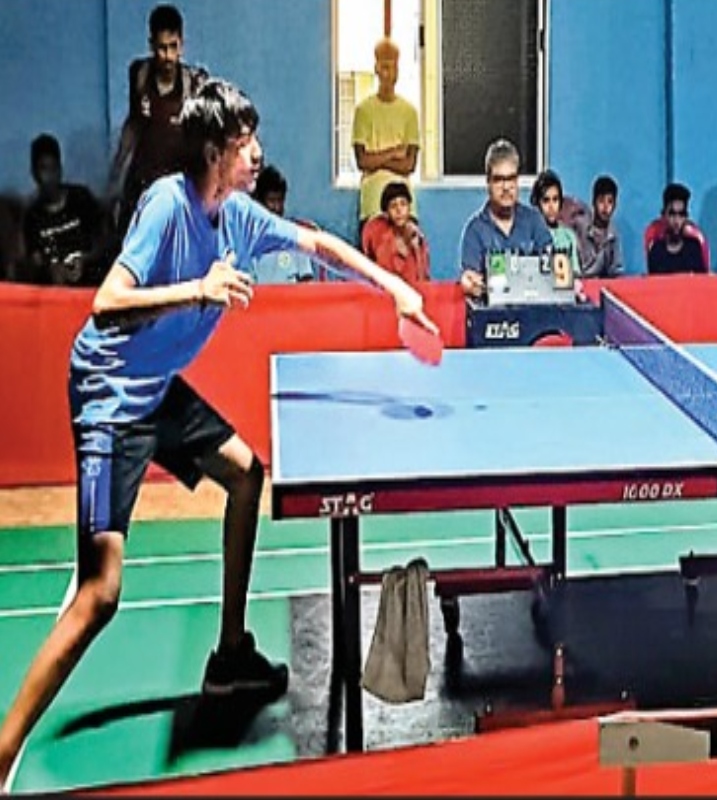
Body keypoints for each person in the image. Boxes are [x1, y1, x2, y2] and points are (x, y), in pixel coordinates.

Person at [0, 79, 436, 789]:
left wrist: (395, 291)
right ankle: (1, 751)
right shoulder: (167, 206)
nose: (256, 153)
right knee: (99, 596)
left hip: (155, 385)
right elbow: (107, 303)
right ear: (213, 152)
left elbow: (321, 244)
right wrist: (198, 289)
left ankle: (230, 654)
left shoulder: (236, 216)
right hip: (111, 395)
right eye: (243, 143)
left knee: (245, 472)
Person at [108, 4, 209, 238]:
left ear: (182, 45)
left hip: (177, 186)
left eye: (173, 47)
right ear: (151, 45)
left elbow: (204, 140)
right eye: (162, 48)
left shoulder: (195, 84)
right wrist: (116, 170)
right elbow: (133, 124)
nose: (168, 56)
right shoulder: (139, 75)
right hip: (142, 181)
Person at [458, 138, 553, 299]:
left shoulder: (535, 222)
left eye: (511, 178)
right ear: (488, 182)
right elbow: (471, 278)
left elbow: (551, 270)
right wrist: (469, 283)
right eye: (498, 179)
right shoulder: (475, 231)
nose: (506, 187)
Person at [351, 37, 420, 234]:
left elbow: (409, 165)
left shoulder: (409, 112)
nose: (389, 73)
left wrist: (377, 160)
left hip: (405, 205)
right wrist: (394, 152)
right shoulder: (363, 110)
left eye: (394, 67)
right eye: (385, 67)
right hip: (373, 204)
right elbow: (363, 161)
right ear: (376, 68)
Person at [23, 133, 111, 287]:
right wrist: (51, 271)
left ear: (60, 169)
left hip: (91, 286)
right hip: (56, 294)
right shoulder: (32, 217)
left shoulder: (81, 198)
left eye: (54, 168)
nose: (50, 177)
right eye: (44, 169)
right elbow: (34, 262)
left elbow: (104, 240)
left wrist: (85, 260)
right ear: (35, 174)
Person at [361, 180, 430, 282]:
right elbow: (384, 274)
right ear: (387, 212)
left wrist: (415, 247)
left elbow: (424, 276)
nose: (399, 210)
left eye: (403, 204)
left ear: (409, 208)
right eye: (393, 206)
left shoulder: (417, 236)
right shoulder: (380, 237)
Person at [646, 183, 708, 275]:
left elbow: (701, 281)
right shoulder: (656, 250)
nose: (676, 221)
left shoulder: (694, 248)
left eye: (681, 214)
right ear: (664, 216)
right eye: (672, 214)